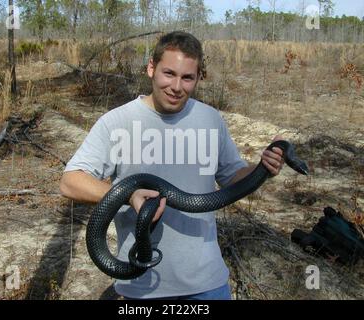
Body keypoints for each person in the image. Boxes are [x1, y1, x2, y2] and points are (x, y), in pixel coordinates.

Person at [59, 31, 284, 300]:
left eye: (187, 77)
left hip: (207, 284)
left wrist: (262, 168)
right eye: (169, 73)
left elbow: (233, 178)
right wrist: (128, 196)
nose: (177, 87)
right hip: (140, 285)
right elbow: (70, 180)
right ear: (151, 68)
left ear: (198, 78)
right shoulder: (117, 122)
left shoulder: (210, 119)